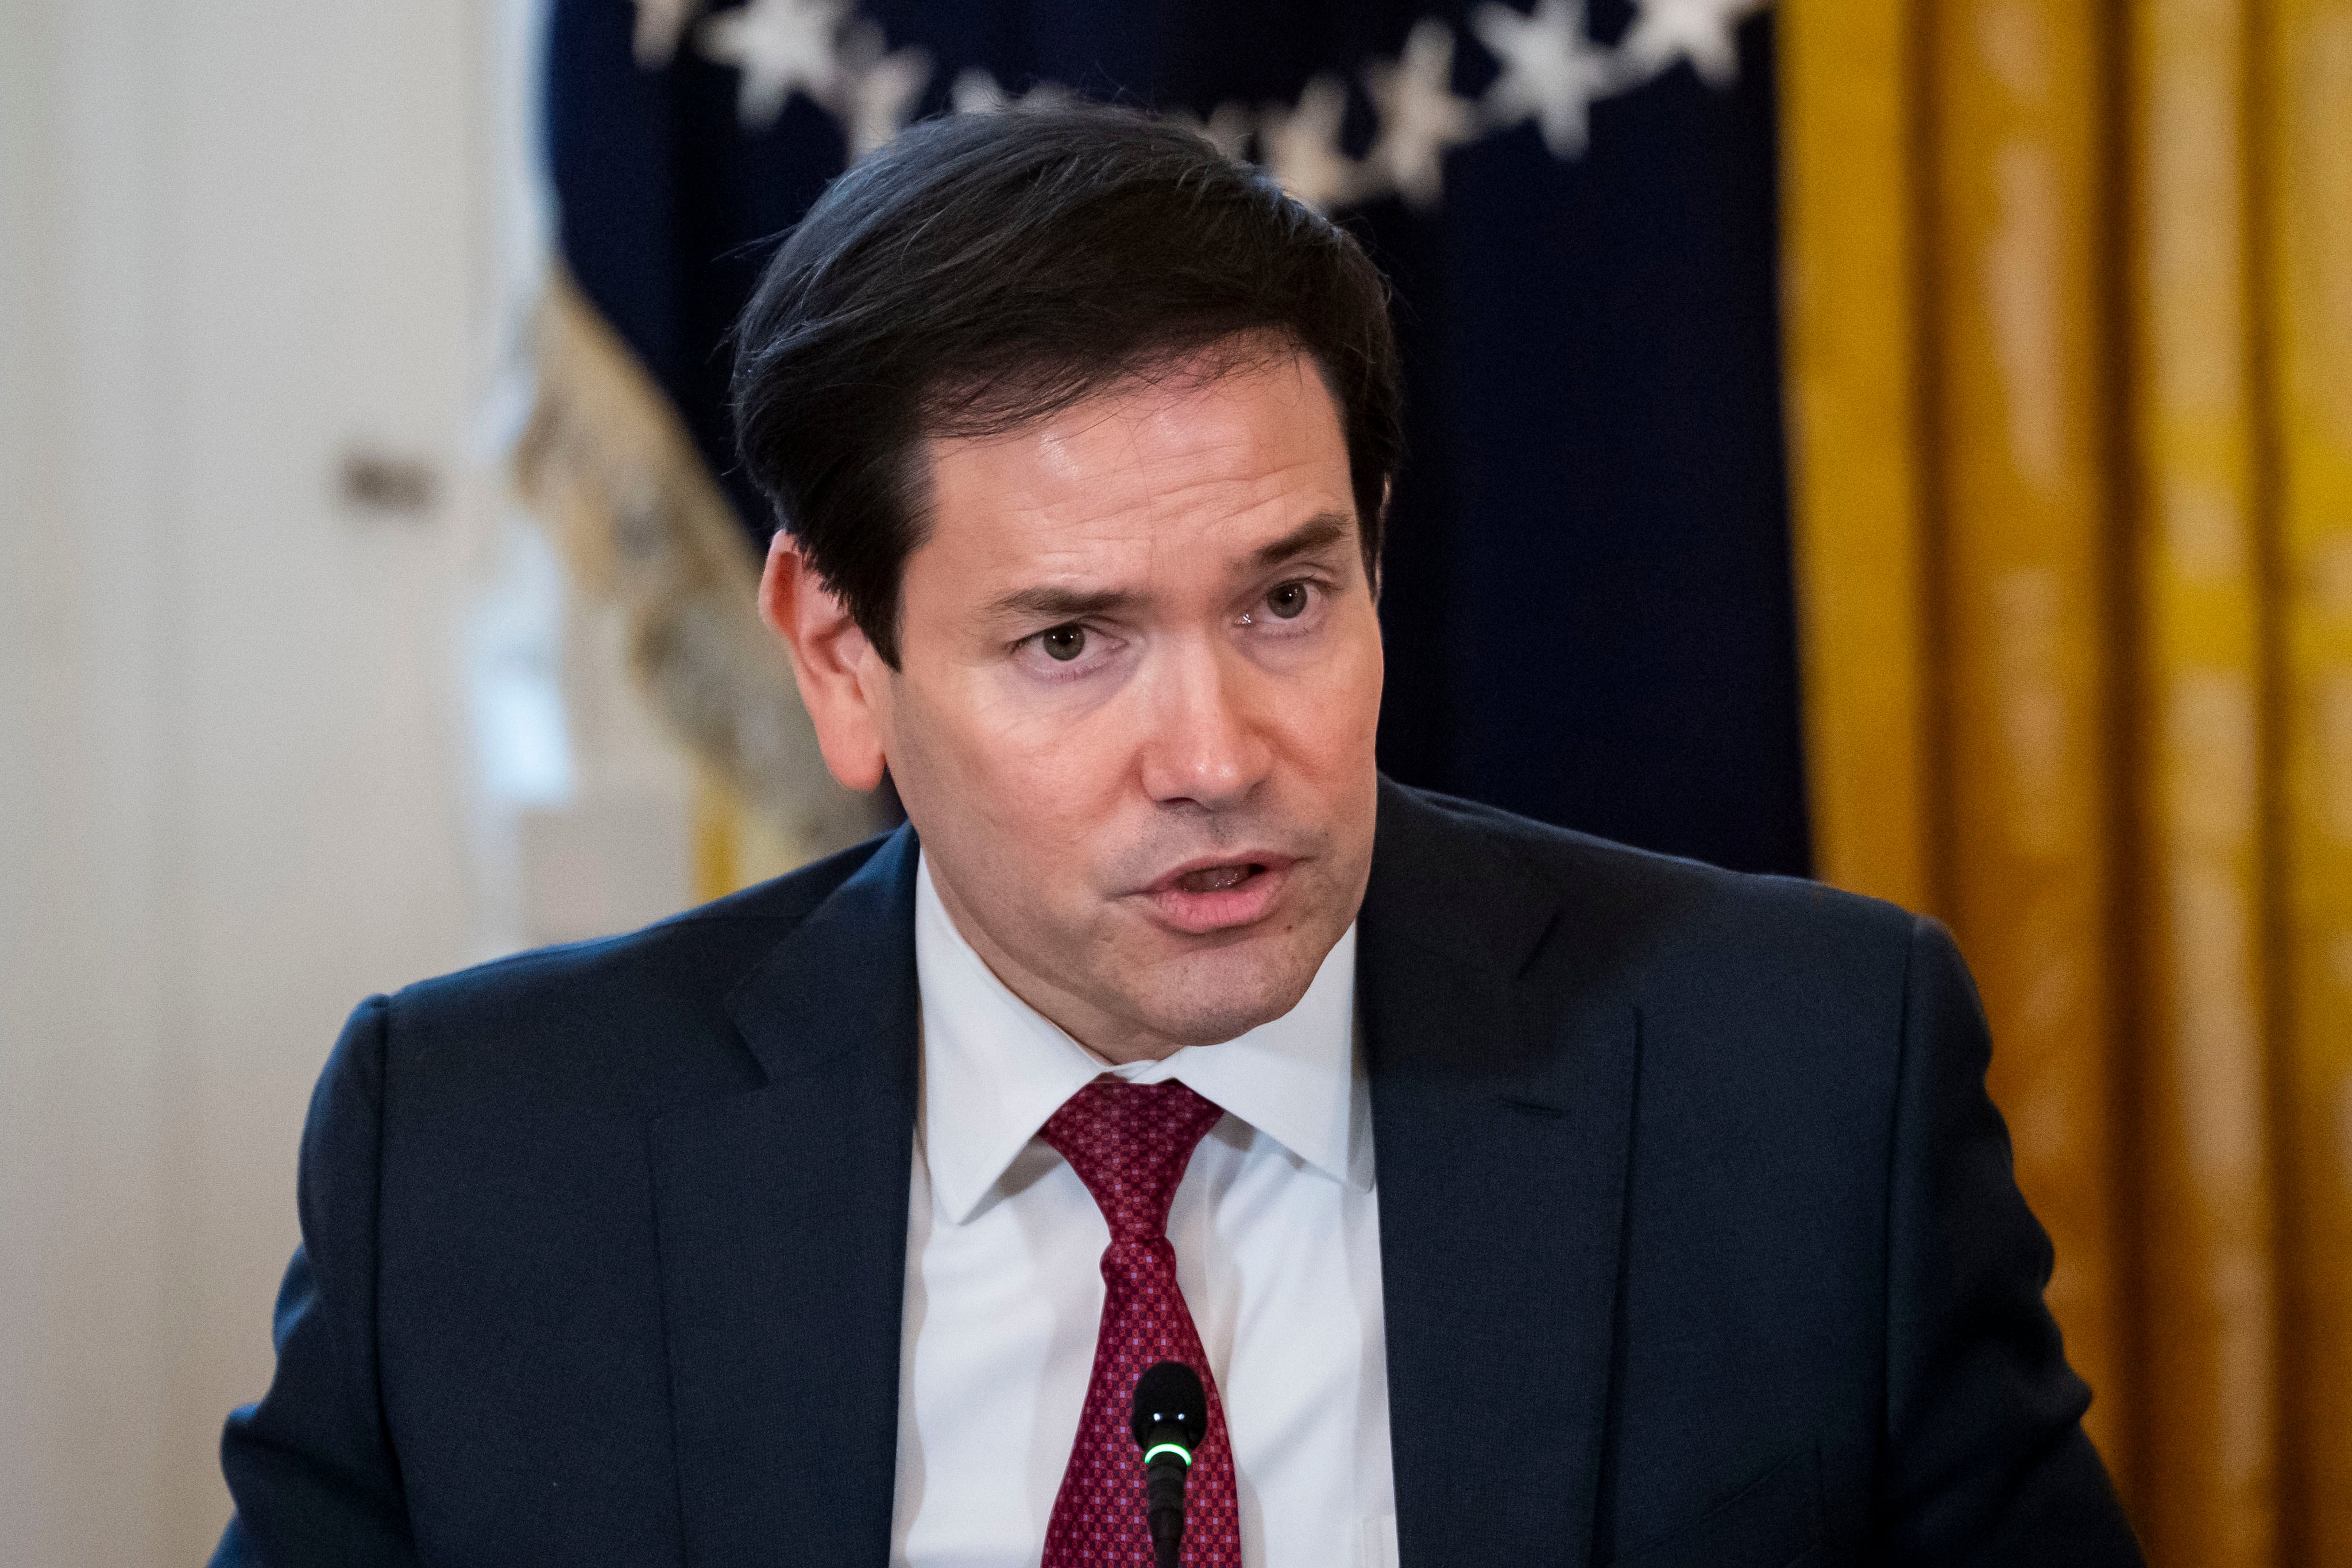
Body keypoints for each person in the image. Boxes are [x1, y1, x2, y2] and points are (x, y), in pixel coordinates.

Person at [210, 103, 2142, 1567]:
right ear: (840, 655)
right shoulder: (478, 1164)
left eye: (1288, 600)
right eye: (1072, 641)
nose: (1216, 752)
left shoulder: (1803, 1082)